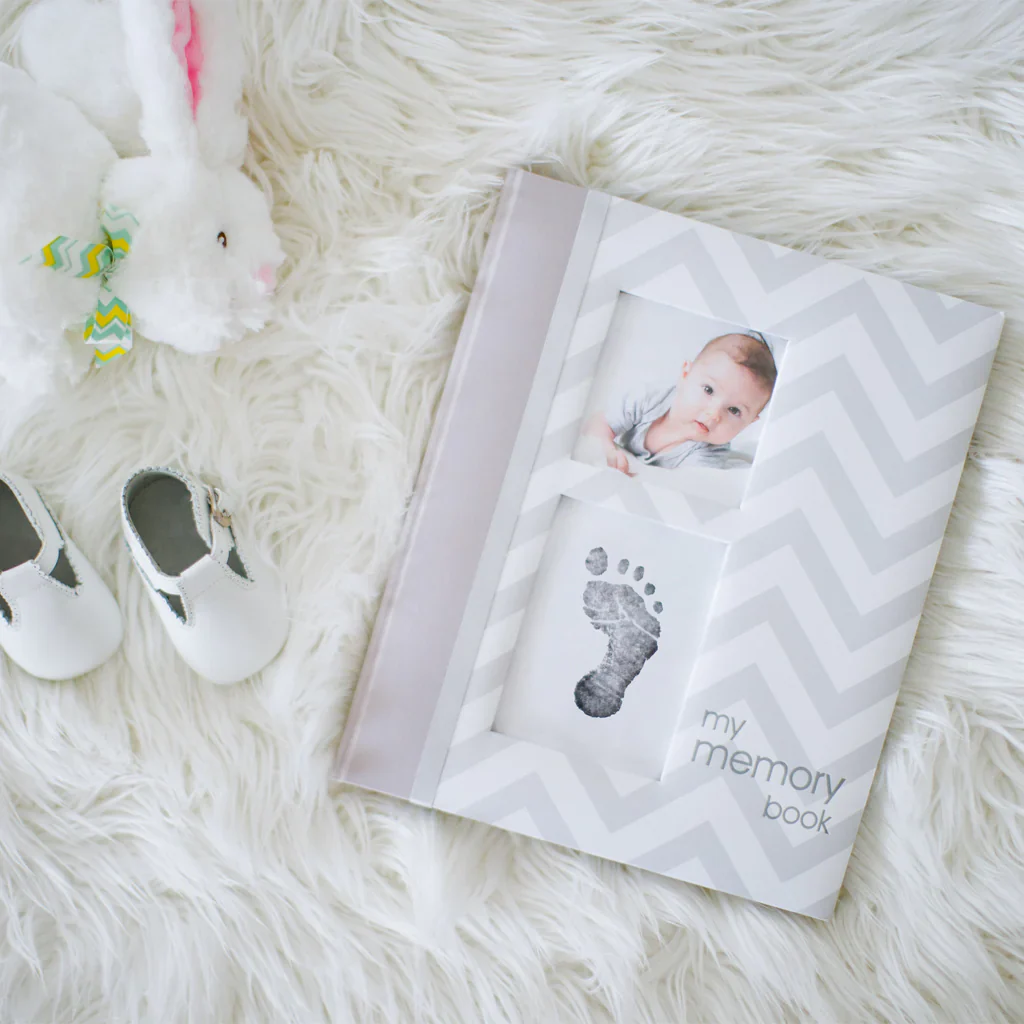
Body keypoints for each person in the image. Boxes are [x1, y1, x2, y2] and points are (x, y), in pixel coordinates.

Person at [584, 331, 777, 474]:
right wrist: (605, 446)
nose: (714, 414)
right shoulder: (650, 397)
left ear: (749, 422)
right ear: (686, 373)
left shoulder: (708, 456)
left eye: (734, 410)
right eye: (708, 390)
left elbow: (683, 488)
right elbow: (599, 423)